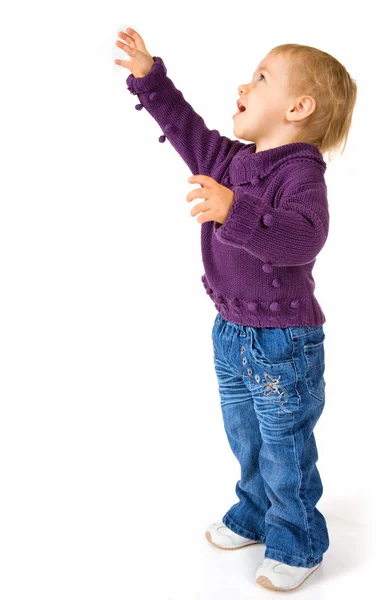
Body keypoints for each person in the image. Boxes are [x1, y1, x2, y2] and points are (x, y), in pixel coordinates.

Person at [114, 28, 357, 592]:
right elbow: (185, 128)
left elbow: (303, 239)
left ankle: (298, 540)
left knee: (285, 444)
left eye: (262, 78)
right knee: (244, 434)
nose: (244, 85)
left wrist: (233, 210)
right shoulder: (229, 159)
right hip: (230, 327)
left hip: (282, 340)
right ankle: (254, 511)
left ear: (298, 109)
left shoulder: (301, 173)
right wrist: (152, 78)